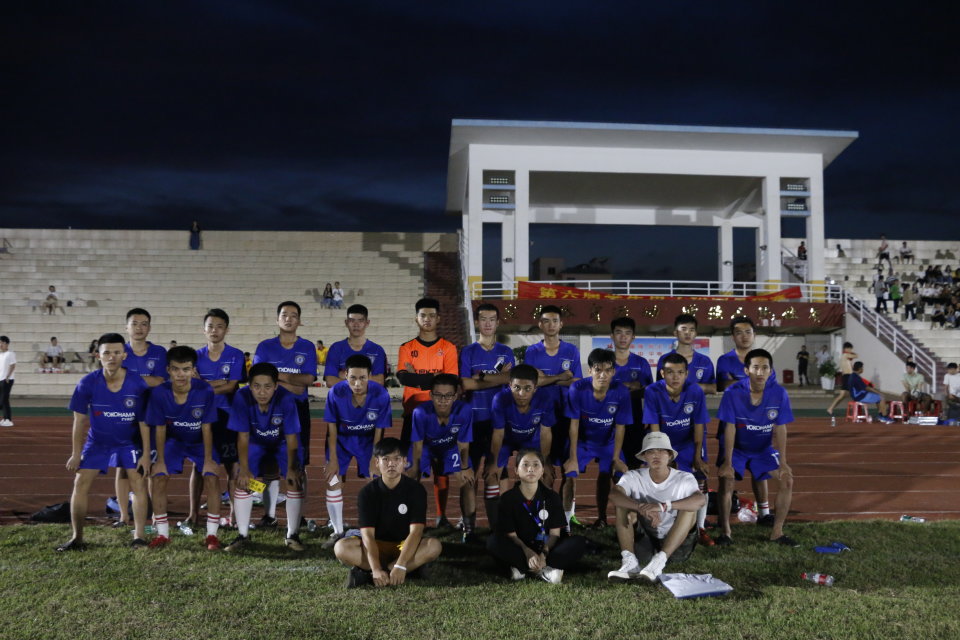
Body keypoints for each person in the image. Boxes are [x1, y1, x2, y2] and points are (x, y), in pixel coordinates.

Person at [57, 333, 151, 551]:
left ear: (124, 355)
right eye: (107, 352)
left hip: (129, 442)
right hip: (98, 442)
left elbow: (145, 422)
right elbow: (79, 420)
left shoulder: (137, 383)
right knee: (80, 483)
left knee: (138, 484)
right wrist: (76, 453)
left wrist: (146, 454)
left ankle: (139, 536)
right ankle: (77, 538)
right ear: (98, 355)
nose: (111, 357)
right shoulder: (87, 382)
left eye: (117, 352)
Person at [334, 437, 442, 588]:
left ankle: (372, 575)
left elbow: (416, 532)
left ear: (405, 462)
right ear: (377, 463)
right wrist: (376, 568)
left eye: (397, 459)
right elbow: (368, 536)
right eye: (385, 459)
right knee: (341, 548)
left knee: (433, 546)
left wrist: (401, 564)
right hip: (377, 545)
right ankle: (402, 571)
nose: (391, 464)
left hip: (404, 545)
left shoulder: (416, 490)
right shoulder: (367, 493)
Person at [716, 349, 798, 546]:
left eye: (765, 368)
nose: (760, 372)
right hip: (737, 449)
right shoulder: (732, 393)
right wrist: (727, 462)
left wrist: (784, 462)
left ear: (771, 371)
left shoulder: (779, 393)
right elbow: (729, 427)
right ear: (747, 370)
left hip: (762, 449)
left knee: (787, 480)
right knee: (726, 480)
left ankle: (777, 532)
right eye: (756, 367)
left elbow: (780, 428)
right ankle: (725, 532)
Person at [145, 346, 222, 550]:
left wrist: (208, 460)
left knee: (212, 476)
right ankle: (162, 534)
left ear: (193, 370)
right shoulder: (159, 393)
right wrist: (160, 461)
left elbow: (207, 427)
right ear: (168, 370)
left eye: (186, 369)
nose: (181, 374)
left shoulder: (205, 390)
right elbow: (160, 428)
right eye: (176, 369)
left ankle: (212, 535)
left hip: (199, 441)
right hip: (174, 441)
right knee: (158, 476)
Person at [225, 362, 305, 552]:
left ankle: (292, 535)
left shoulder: (286, 399)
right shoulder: (241, 397)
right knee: (242, 480)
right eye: (257, 386)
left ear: (276, 386)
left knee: (295, 480)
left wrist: (292, 468)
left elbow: (291, 438)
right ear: (249, 386)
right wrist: (244, 469)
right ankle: (242, 535)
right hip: (254, 441)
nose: (262, 392)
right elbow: (242, 436)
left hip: (283, 442)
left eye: (267, 386)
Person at [607, 432, 706, 583]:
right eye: (650, 451)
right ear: (644, 456)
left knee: (689, 509)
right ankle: (630, 561)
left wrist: (662, 506)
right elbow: (614, 495)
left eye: (661, 450)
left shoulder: (684, 478)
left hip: (677, 545)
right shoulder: (633, 476)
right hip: (646, 539)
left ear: (670, 455)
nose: (656, 455)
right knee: (622, 505)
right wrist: (640, 507)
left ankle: (660, 560)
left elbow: (700, 500)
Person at [253, 300, 317, 521]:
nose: (288, 319)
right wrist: (292, 381)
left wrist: (276, 376)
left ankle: (298, 516)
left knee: (298, 462)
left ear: (299, 321)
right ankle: (269, 515)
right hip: (270, 409)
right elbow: (260, 378)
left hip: (297, 410)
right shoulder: (265, 347)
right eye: (284, 315)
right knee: (270, 463)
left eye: (293, 315)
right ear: (277, 319)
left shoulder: (307, 346)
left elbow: (307, 380)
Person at [396, 298, 458, 526]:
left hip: (440, 416)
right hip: (412, 415)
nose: (427, 319)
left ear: (438, 318)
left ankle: (441, 516)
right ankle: (411, 517)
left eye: (432, 315)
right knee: (411, 467)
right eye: (423, 315)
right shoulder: (406, 347)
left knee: (441, 469)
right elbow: (403, 377)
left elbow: (450, 381)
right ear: (416, 319)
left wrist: (419, 378)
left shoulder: (448, 348)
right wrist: (434, 379)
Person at [321, 354, 391, 549]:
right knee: (333, 481)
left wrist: (375, 459)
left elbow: (379, 430)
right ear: (345, 375)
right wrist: (333, 459)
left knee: (376, 481)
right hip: (341, 441)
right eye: (353, 378)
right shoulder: (335, 393)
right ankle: (337, 532)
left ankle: (377, 531)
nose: (358, 383)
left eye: (362, 378)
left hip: (368, 442)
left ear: (370, 376)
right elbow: (331, 429)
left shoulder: (381, 394)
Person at [487, 449, 587, 583]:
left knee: (578, 542)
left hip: (546, 549)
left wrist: (543, 554)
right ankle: (545, 570)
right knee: (493, 541)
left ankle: (524, 569)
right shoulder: (508, 498)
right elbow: (512, 536)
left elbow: (555, 534)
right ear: (516, 470)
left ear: (542, 471)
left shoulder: (552, 497)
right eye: (525, 465)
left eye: (535, 465)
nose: (530, 469)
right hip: (521, 549)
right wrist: (527, 552)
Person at [643, 353, 712, 546]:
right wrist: (663, 455)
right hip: (663, 443)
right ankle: (659, 527)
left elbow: (699, 426)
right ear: (662, 373)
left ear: (686, 374)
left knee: (700, 477)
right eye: (670, 372)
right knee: (659, 478)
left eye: (680, 372)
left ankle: (700, 528)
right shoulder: (652, 391)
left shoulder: (695, 391)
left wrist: (697, 457)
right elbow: (654, 429)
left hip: (688, 442)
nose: (675, 377)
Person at [715, 316, 778, 526]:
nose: (744, 336)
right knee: (728, 472)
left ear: (754, 335)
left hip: (759, 425)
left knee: (761, 472)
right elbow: (723, 386)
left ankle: (764, 513)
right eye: (739, 332)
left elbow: (770, 389)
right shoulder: (724, 360)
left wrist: (740, 383)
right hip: (732, 423)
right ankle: (725, 516)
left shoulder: (764, 360)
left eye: (748, 332)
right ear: (733, 336)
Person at [460, 303, 515, 535]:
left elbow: (510, 380)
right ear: (477, 322)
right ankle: (469, 529)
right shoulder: (468, 352)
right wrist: (497, 377)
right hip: (472, 421)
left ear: (498, 322)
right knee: (469, 477)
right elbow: (465, 384)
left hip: (498, 423)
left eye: (492, 319)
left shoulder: (506, 352)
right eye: (483, 319)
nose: (488, 323)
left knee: (497, 473)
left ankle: (499, 527)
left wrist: (481, 377)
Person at [563, 348, 632, 529]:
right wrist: (573, 458)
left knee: (619, 478)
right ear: (590, 371)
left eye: (608, 370)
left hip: (608, 443)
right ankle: (565, 523)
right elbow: (574, 424)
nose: (603, 375)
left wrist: (616, 458)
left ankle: (612, 521)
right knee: (569, 475)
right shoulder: (577, 389)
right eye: (598, 369)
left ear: (613, 372)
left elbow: (620, 426)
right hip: (583, 442)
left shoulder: (621, 391)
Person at [524, 304, 581, 516]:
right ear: (540, 324)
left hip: (566, 415)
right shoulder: (532, 351)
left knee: (569, 469)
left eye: (555, 321)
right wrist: (560, 377)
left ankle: (567, 517)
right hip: (540, 417)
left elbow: (576, 382)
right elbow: (532, 382)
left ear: (561, 324)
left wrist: (545, 378)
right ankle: (543, 514)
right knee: (544, 467)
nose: (551, 325)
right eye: (546, 321)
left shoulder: (571, 351)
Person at [114, 308, 168, 528]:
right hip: (124, 416)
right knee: (122, 467)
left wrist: (130, 379)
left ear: (149, 327)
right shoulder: (119, 351)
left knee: (152, 467)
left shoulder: (159, 352)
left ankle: (154, 516)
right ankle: (123, 516)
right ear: (126, 327)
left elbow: (161, 381)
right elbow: (114, 380)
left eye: (144, 324)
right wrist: (146, 379)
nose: (139, 328)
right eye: (134, 323)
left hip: (152, 414)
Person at [487, 364, 556, 529]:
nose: (521, 394)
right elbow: (498, 434)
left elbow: (546, 433)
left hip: (531, 439)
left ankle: (539, 524)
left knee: (546, 475)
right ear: (509, 385)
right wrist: (493, 462)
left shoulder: (545, 399)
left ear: (535, 388)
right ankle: (496, 527)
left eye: (527, 388)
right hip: (506, 439)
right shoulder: (500, 399)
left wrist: (545, 461)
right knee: (491, 475)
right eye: (517, 387)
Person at [194, 308, 246, 529]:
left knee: (232, 466)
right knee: (199, 467)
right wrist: (218, 383)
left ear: (227, 330)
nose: (214, 330)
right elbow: (193, 386)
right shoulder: (195, 356)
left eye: (219, 326)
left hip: (228, 417)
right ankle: (193, 514)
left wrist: (204, 384)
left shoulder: (236, 355)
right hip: (201, 416)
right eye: (210, 326)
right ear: (204, 330)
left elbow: (231, 386)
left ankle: (234, 516)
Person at [407, 374, 475, 538]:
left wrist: (465, 468)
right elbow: (417, 445)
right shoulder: (420, 412)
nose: (443, 400)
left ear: (455, 396)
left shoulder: (464, 410)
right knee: (410, 480)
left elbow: (463, 444)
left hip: (451, 447)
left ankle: (469, 530)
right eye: (438, 395)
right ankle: (409, 525)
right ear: (431, 395)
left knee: (467, 481)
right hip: (426, 447)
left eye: (448, 395)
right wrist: (415, 469)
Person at [609, 316, 653, 469]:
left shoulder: (641, 363)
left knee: (634, 465)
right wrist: (629, 385)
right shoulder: (605, 362)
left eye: (627, 333)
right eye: (619, 332)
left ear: (633, 337)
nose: (623, 337)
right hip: (609, 419)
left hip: (635, 418)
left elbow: (650, 393)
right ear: (612, 335)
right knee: (608, 467)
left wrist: (649, 417)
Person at [323, 304, 387, 389]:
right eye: (352, 321)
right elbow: (330, 382)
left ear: (367, 323)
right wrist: (366, 377)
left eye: (360, 321)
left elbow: (379, 382)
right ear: (346, 323)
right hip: (343, 397)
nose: (356, 325)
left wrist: (346, 375)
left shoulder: (377, 350)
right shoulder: (336, 348)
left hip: (368, 398)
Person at [656, 314, 716, 394]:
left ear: (696, 333)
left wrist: (690, 387)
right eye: (683, 329)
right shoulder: (665, 359)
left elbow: (713, 388)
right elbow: (660, 388)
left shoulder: (705, 361)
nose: (688, 333)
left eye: (691, 330)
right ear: (676, 333)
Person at [827, 342, 858, 416]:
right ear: (846, 349)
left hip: (847, 376)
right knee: (852, 393)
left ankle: (830, 408)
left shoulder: (845, 356)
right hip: (848, 376)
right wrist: (852, 353)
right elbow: (856, 355)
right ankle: (855, 409)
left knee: (843, 395)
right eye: (850, 349)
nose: (851, 350)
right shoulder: (845, 355)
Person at [0, 336, 16, 427]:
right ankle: (5, 418)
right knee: (4, 400)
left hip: (7, 380)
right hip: (0, 379)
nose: (0, 345)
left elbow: (13, 365)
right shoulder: (0, 355)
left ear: (6, 343)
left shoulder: (10, 353)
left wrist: (7, 376)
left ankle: (9, 420)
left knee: (4, 399)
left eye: (1, 343)